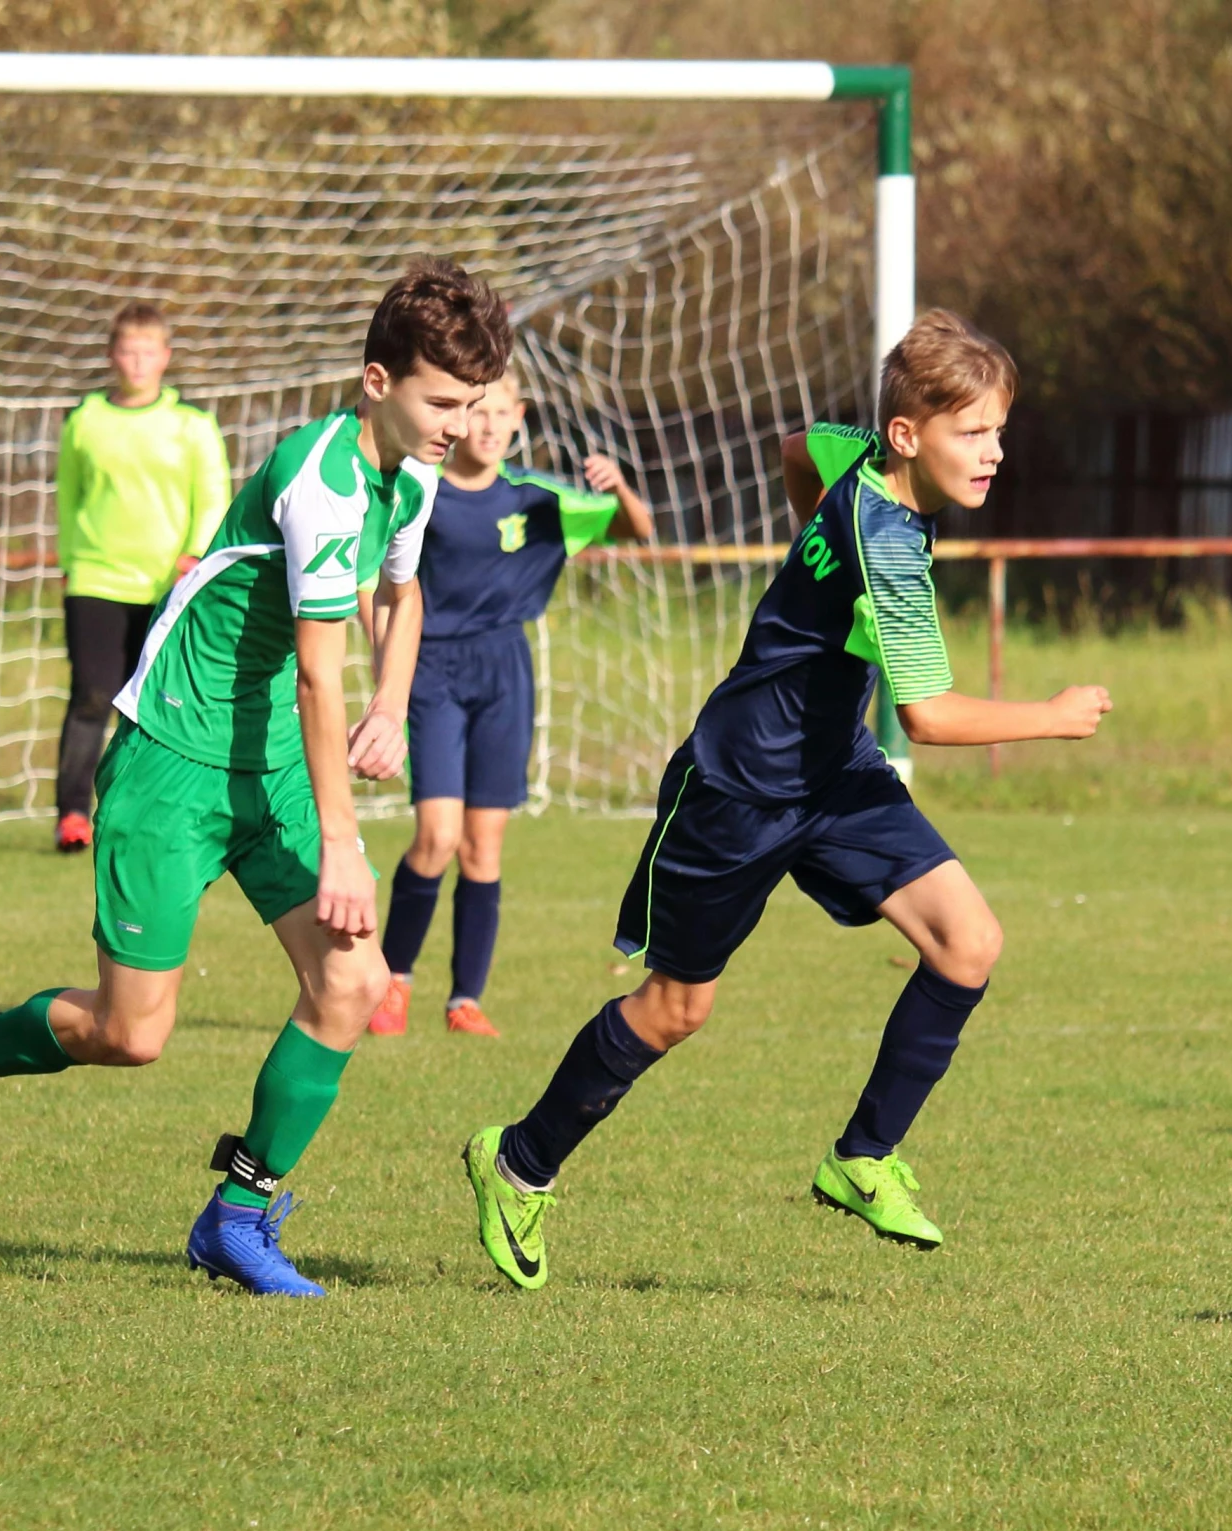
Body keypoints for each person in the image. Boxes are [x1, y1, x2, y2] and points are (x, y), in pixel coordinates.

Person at [458, 310, 1113, 1290]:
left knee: (967, 941)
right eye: (972, 432)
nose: (995, 452)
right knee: (678, 1008)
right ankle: (516, 1162)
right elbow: (927, 716)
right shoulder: (886, 543)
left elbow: (794, 451)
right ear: (908, 436)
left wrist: (811, 542)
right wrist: (1055, 716)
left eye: (999, 430)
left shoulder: (851, 454)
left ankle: (861, 1156)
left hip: (833, 774)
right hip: (736, 789)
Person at [0, 260, 512, 1298]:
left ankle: (236, 1216)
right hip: (171, 760)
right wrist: (349, 846)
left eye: (474, 404)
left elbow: (399, 600)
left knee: (351, 984)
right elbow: (319, 673)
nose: (459, 423)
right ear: (377, 380)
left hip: (268, 754)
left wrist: (390, 707)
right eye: (442, 401)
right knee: (131, 1033)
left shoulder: (408, 475)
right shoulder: (319, 480)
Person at [362, 369, 654, 1039]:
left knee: (483, 847)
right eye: (478, 412)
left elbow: (635, 531)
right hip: (432, 667)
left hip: (504, 672)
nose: (489, 426)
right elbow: (377, 579)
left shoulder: (538, 498)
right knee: (436, 835)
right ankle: (393, 981)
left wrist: (621, 488)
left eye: (502, 413)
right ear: (460, 417)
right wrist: (387, 671)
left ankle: (465, 999)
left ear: (519, 418)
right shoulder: (421, 489)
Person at [50, 303, 231, 854]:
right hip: (97, 581)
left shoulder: (192, 426)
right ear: (112, 355)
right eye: (128, 350)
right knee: (92, 695)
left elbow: (213, 496)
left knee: (154, 703)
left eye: (148, 351)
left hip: (168, 585)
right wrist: (70, 563)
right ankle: (73, 813)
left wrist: (194, 555)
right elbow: (69, 499)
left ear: (165, 358)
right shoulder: (85, 421)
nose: (137, 361)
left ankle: (140, 809)